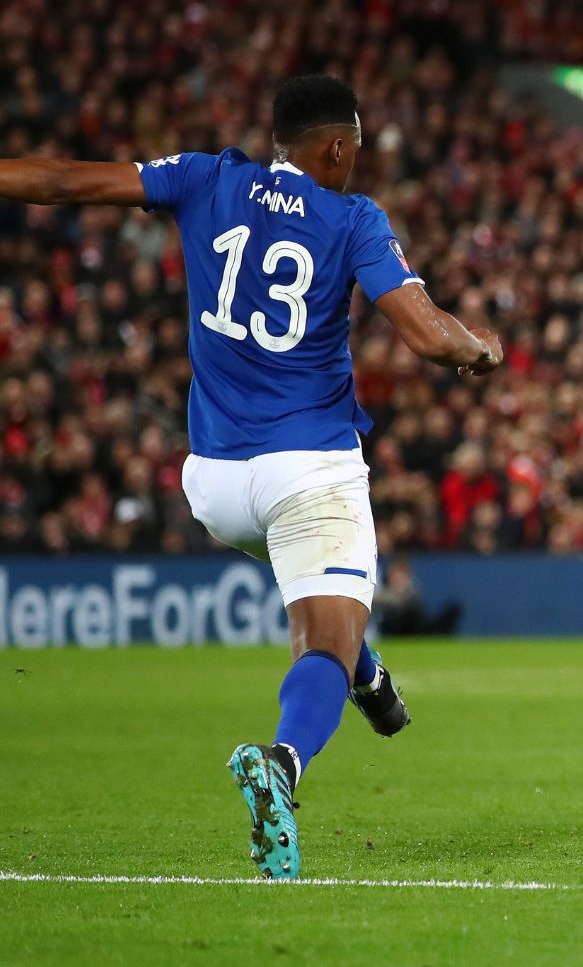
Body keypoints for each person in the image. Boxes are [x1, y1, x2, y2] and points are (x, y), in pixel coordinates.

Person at [0, 75, 502, 879]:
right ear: (336, 147)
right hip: (308, 469)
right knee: (322, 639)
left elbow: (67, 181)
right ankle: (285, 760)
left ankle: (368, 674)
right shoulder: (353, 218)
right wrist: (479, 347)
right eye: (357, 148)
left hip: (217, 487)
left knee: (322, 604)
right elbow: (424, 335)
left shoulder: (205, 176)